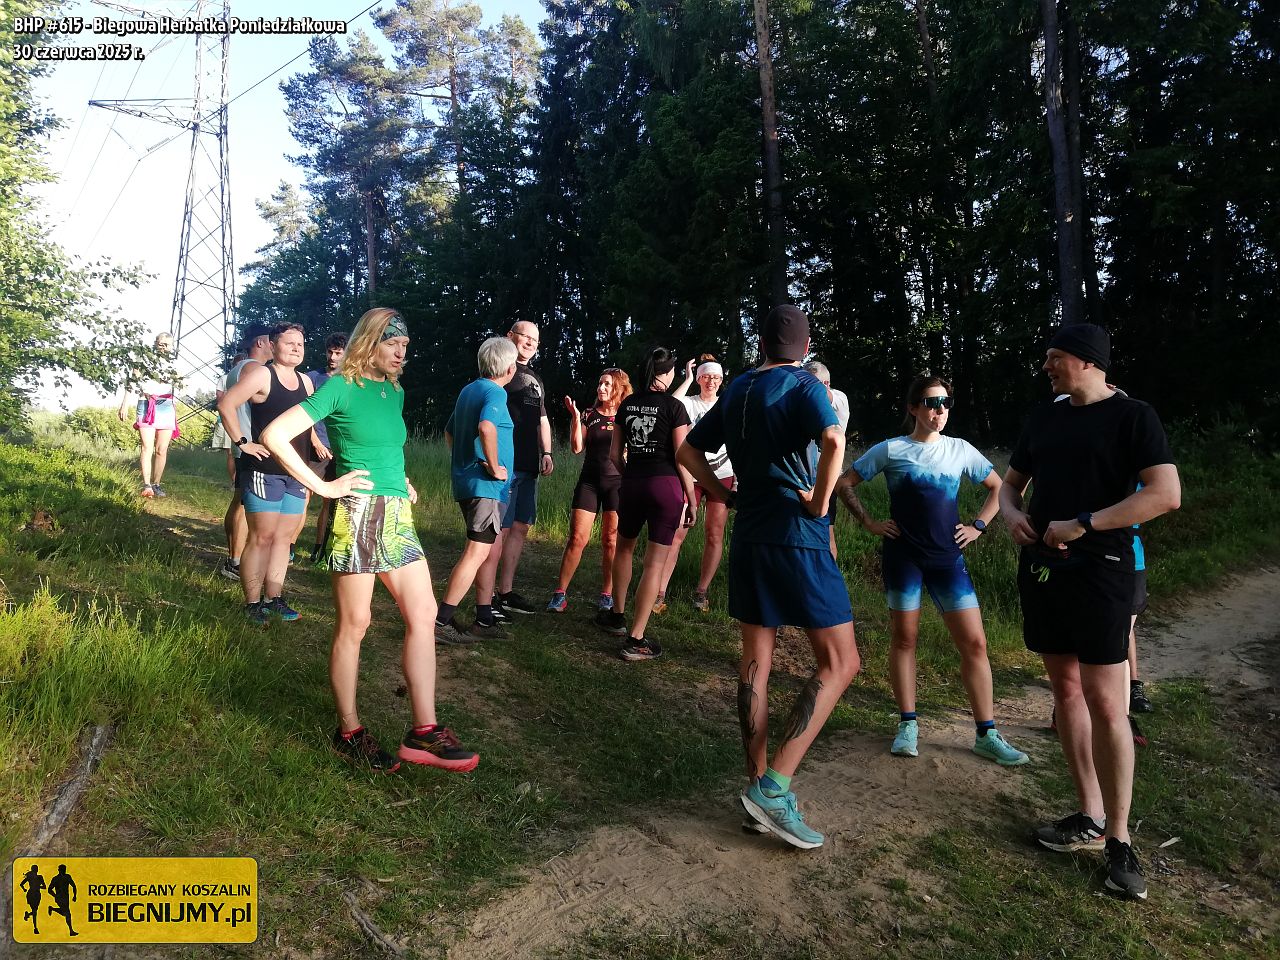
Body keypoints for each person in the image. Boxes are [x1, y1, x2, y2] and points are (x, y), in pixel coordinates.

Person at [999, 323, 1180, 901]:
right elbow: (1010, 486)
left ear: (1088, 361)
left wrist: (1085, 523)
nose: (1046, 366)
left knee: (1107, 702)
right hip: (1043, 571)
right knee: (1065, 693)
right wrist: (1012, 516)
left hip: (1103, 572)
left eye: (1055, 357)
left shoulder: (1133, 417)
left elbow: (1165, 493)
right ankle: (1090, 814)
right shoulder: (1044, 417)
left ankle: (1120, 839)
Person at [260, 307, 478, 774]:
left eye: (405, 346)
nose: (401, 353)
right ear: (369, 343)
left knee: (423, 613)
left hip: (396, 514)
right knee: (355, 625)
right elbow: (274, 434)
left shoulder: (394, 391)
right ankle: (349, 732)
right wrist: (323, 487)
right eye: (392, 344)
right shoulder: (340, 386)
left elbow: (385, 447)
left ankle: (423, 731)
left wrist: (401, 480)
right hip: (357, 515)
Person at [678, 305, 860, 850]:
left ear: (762, 344)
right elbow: (834, 441)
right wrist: (821, 502)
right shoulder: (805, 385)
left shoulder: (736, 388)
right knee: (842, 662)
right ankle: (774, 788)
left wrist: (722, 492)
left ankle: (755, 785)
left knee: (756, 661)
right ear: (804, 347)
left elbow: (687, 449)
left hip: (750, 534)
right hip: (797, 535)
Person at [834, 374, 1028, 767]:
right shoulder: (891, 449)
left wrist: (979, 526)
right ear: (913, 408)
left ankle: (987, 733)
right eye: (931, 402)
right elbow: (844, 482)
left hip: (947, 560)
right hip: (903, 559)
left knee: (975, 644)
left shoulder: (960, 449)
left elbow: (1002, 488)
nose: (939, 410)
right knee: (905, 639)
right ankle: (908, 724)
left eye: (945, 403)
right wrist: (869, 522)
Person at [593, 347, 695, 661]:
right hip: (665, 487)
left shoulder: (627, 404)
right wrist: (691, 499)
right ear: (667, 373)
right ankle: (636, 639)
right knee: (654, 564)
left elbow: (614, 455)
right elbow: (682, 457)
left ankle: (617, 616)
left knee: (624, 549)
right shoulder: (675, 407)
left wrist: (631, 476)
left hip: (632, 484)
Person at [217, 323, 322, 624]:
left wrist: (314, 441)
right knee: (261, 537)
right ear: (273, 346)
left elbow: (306, 420)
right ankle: (252, 604)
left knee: (283, 539)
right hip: (264, 469)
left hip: (295, 471)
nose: (296, 348)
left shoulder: (306, 382)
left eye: (300, 343)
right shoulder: (263, 375)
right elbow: (226, 403)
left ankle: (273, 598)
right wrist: (242, 443)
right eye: (289, 343)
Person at [436, 337, 519, 643]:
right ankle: (440, 622)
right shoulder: (496, 392)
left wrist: (464, 462)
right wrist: (493, 466)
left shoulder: (468, 390)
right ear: (509, 369)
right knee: (476, 552)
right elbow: (486, 427)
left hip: (469, 484)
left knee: (482, 550)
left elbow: (449, 431)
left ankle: (484, 620)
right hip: (485, 487)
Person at [476, 321, 553, 620]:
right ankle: (487, 599)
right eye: (525, 336)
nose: (531, 343)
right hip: (505, 465)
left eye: (535, 339)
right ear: (510, 336)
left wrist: (547, 452)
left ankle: (505, 593)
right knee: (500, 530)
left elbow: (542, 419)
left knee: (520, 527)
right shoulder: (501, 372)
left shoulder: (535, 378)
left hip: (529, 464)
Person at [546, 367, 633, 613]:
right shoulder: (589, 414)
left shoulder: (626, 416)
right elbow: (576, 448)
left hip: (617, 484)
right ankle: (560, 593)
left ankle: (607, 594)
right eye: (600, 383)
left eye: (607, 384)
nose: (601, 388)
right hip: (589, 483)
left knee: (611, 541)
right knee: (577, 538)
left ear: (618, 388)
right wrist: (575, 418)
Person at [654, 355, 734, 613]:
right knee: (677, 532)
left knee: (714, 533)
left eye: (716, 377)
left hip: (723, 474)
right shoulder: (689, 403)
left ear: (721, 381)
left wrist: (738, 480)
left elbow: (738, 442)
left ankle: (702, 592)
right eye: (706, 376)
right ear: (699, 378)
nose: (711, 381)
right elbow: (670, 403)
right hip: (692, 474)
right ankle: (659, 592)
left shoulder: (727, 404)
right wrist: (687, 379)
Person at [220, 326, 273, 581]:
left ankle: (233, 557)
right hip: (249, 444)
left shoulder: (238, 368)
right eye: (272, 341)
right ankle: (236, 561)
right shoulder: (254, 369)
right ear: (261, 342)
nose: (275, 345)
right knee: (244, 506)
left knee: (238, 502)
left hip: (242, 444)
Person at [299, 332, 348, 561]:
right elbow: (302, 414)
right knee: (304, 496)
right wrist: (315, 441)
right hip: (315, 447)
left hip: (339, 449)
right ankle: (289, 546)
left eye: (338, 353)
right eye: (330, 352)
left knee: (331, 502)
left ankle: (319, 549)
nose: (333, 357)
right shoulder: (312, 378)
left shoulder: (350, 380)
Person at [116, 332, 179, 499]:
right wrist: (124, 404)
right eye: (161, 344)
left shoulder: (174, 363)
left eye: (167, 344)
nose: (164, 347)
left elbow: (179, 385)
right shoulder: (143, 359)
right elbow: (131, 382)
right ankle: (146, 485)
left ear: (172, 346)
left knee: (162, 449)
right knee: (146, 446)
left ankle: (157, 484)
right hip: (146, 404)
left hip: (166, 406)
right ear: (155, 343)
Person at [805, 361, 850, 559]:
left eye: (809, 383)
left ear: (825, 384)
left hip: (827, 478)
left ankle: (828, 571)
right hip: (804, 476)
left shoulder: (838, 399)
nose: (803, 388)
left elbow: (826, 396)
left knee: (827, 531)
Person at [210, 353, 245, 487]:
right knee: (231, 453)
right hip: (227, 419)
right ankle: (234, 482)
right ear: (234, 365)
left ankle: (240, 481)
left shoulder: (248, 379)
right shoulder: (225, 379)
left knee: (241, 452)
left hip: (243, 420)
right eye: (239, 364)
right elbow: (220, 401)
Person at [47, 864, 78, 936]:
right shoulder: (55, 879)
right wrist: (55, 896)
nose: (64, 871)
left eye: (65, 870)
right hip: (59, 898)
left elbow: (73, 886)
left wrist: (74, 896)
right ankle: (71, 931)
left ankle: (52, 909)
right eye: (62, 870)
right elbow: (49, 889)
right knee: (68, 914)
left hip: (66, 898)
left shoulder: (67, 877)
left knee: (65, 913)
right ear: (59, 870)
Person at [20, 864, 44, 935]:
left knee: (34, 911)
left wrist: (37, 887)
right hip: (32, 894)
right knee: (35, 911)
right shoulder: (30, 877)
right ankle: (35, 928)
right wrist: (24, 889)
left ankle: (28, 914)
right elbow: (21, 884)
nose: (36, 870)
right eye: (35, 869)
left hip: (36, 894)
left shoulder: (39, 877)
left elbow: (44, 886)